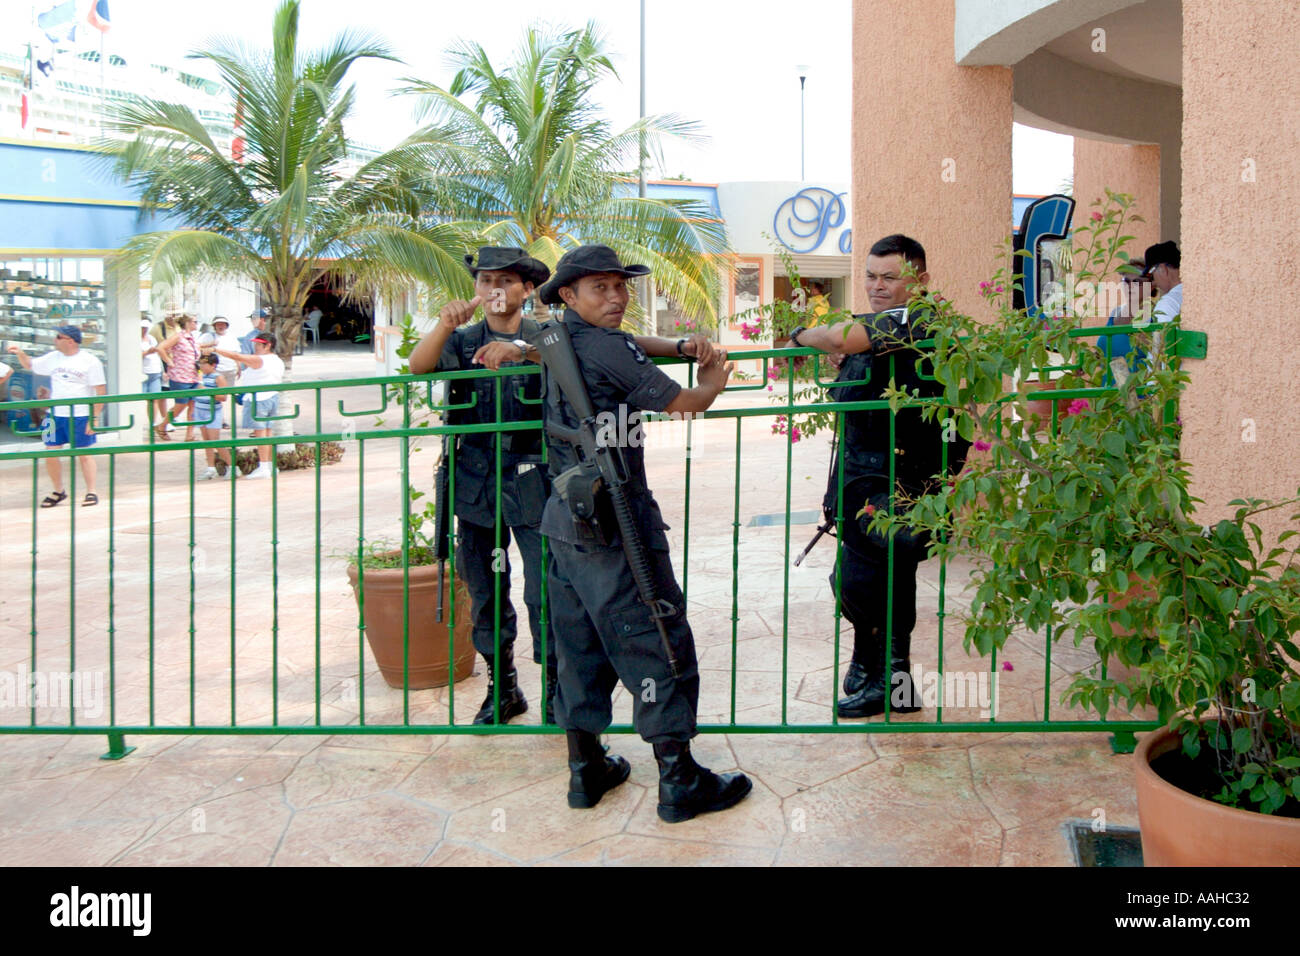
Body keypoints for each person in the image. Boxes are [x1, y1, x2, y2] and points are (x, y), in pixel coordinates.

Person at [533, 244, 752, 823]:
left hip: (564, 520)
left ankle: (586, 770)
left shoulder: (554, 338)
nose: (616, 297)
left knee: (577, 644)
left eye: (620, 287)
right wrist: (710, 380)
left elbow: (625, 346)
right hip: (617, 522)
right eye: (600, 288)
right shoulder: (607, 346)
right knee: (653, 634)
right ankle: (678, 780)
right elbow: (683, 402)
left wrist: (678, 344)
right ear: (569, 295)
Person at [787, 234, 970, 719]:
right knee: (863, 578)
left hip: (899, 480)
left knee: (872, 578)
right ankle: (875, 672)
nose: (877, 285)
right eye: (870, 276)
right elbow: (852, 354)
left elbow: (837, 337)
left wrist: (803, 336)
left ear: (920, 281)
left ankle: (890, 680)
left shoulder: (918, 321)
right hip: (864, 479)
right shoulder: (881, 329)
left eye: (891, 277)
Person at [408, 247, 560, 725]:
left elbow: (569, 360)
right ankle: (505, 687)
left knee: (546, 589)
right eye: (484, 281)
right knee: (487, 588)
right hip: (475, 480)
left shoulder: (547, 334)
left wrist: (520, 350)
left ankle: (557, 688)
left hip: (535, 478)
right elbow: (418, 367)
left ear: (526, 288)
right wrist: (443, 326)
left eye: (506, 281)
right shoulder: (462, 338)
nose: (494, 289)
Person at [7, 325, 106, 507]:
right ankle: (58, 490)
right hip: (54, 415)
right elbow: (30, 365)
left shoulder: (90, 361)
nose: (55, 339)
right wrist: (19, 352)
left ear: (70, 340)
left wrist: (95, 417)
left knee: (84, 454)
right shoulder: (53, 357)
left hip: (80, 415)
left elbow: (100, 390)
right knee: (50, 452)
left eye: (58, 337)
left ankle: (91, 491)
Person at [214, 330, 283, 479]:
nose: (256, 347)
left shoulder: (260, 360)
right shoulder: (277, 360)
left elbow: (237, 356)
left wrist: (215, 350)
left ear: (267, 345)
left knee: (261, 433)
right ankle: (270, 465)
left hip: (258, 399)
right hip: (271, 397)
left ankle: (264, 467)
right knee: (267, 432)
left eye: (259, 344)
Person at [158, 314, 202, 441]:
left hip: (193, 376)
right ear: (188, 323)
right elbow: (161, 348)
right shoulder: (178, 336)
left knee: (193, 405)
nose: (196, 324)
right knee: (180, 405)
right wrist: (169, 361)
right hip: (180, 377)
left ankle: (190, 434)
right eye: (194, 321)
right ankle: (162, 425)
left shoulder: (193, 338)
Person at [193, 354, 232, 479]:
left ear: (213, 365)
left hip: (213, 412)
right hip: (200, 410)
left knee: (215, 441)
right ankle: (211, 468)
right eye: (201, 364)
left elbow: (223, 397)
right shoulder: (201, 376)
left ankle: (232, 466)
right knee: (207, 441)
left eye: (204, 364)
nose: (202, 367)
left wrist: (206, 391)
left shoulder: (218, 377)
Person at [1141, 240, 1182, 324]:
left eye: (1151, 275)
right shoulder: (1196, 294)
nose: (1154, 283)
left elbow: (1163, 336)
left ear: (1163, 269)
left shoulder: (1168, 303)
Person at [140, 317, 167, 433]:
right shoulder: (134, 339)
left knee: (154, 399)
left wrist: (163, 371)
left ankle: (153, 422)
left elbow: (158, 355)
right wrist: (147, 352)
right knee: (144, 399)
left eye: (146, 328)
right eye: (142, 328)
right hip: (143, 373)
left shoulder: (151, 338)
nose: (144, 330)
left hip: (155, 372)